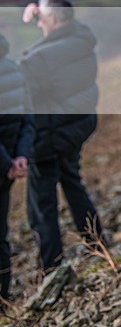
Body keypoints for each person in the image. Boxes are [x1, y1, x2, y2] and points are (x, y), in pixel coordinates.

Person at [18, 0, 105, 272]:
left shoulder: (46, 55)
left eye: (42, 17)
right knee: (73, 185)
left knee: (42, 204)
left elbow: (21, 83)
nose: (38, 20)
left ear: (52, 19)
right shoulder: (80, 41)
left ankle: (52, 268)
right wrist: (40, 13)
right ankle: (97, 245)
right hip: (73, 129)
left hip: (47, 134)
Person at [0, 34, 34, 306]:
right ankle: (3, 296)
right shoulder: (15, 70)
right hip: (8, 168)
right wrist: (19, 156)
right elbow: (29, 118)